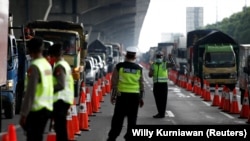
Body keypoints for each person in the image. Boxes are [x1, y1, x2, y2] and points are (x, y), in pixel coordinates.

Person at [19, 37, 54, 141]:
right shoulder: (47, 65)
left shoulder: (35, 66)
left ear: (30, 50)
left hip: (37, 110)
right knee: (38, 136)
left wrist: (24, 113)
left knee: (32, 137)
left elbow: (30, 91)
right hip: (47, 108)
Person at [106, 47, 144, 141]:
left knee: (118, 118)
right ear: (135, 56)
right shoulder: (139, 68)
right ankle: (130, 137)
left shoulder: (119, 66)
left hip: (122, 96)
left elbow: (114, 83)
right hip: (135, 96)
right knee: (132, 119)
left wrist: (113, 96)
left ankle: (112, 137)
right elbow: (141, 84)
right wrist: (141, 98)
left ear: (126, 55)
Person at [49, 43, 74, 141]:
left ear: (53, 55)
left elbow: (61, 84)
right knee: (61, 128)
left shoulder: (59, 66)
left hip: (60, 100)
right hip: (65, 99)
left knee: (60, 129)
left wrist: (48, 90)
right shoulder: (65, 64)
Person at [148, 51, 175, 118]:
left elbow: (173, 64)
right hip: (156, 84)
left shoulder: (165, 64)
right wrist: (151, 70)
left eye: (160, 56)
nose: (159, 58)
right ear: (155, 57)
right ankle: (160, 112)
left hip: (163, 85)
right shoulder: (153, 64)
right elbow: (150, 75)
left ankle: (161, 114)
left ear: (162, 57)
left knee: (163, 100)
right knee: (157, 100)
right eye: (157, 56)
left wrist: (170, 58)